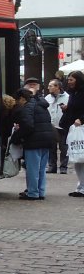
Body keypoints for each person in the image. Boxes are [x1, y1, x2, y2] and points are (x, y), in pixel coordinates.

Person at [10, 86, 54, 200]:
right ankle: (41, 191)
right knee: (41, 169)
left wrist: (16, 137)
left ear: (22, 98)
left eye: (18, 100)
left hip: (34, 141)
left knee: (32, 169)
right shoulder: (41, 105)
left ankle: (33, 192)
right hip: (46, 140)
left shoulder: (28, 107)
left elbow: (28, 126)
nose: (17, 103)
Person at [59, 70, 84, 198]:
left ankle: (82, 187)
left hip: (81, 127)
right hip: (74, 127)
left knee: (81, 157)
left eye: (71, 80)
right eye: (68, 79)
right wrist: (67, 109)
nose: (69, 82)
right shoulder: (73, 93)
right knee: (78, 159)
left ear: (78, 80)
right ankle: (81, 187)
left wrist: (82, 119)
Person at [46, 79, 69, 173]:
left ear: (57, 87)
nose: (48, 87)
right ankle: (52, 166)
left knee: (64, 148)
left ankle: (63, 167)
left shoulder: (67, 97)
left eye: (51, 85)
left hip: (63, 126)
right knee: (51, 147)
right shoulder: (47, 97)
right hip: (51, 125)